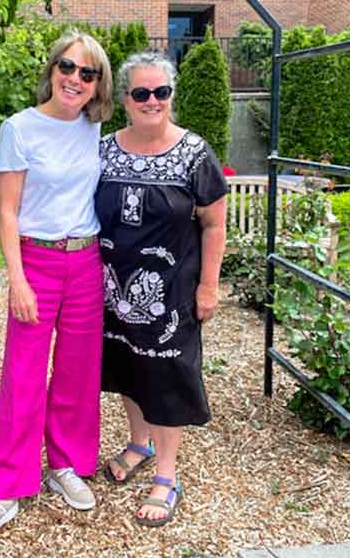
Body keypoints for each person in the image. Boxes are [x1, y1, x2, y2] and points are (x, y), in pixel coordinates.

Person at [0, 31, 113, 548]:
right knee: (23, 375)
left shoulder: (96, 130)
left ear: (97, 86)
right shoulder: (19, 128)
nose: (75, 79)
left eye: (87, 73)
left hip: (86, 261)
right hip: (38, 262)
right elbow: (6, 211)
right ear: (52, 70)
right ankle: (5, 490)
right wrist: (17, 278)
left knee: (77, 372)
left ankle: (65, 464)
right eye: (68, 67)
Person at [95, 52, 227, 527]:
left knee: (168, 376)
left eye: (162, 92)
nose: (153, 101)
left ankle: (167, 475)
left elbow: (214, 224)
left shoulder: (194, 153)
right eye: (141, 93)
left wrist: (209, 286)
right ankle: (138, 442)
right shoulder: (103, 150)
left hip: (172, 289)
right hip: (113, 287)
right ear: (125, 99)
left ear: (171, 95)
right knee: (130, 368)